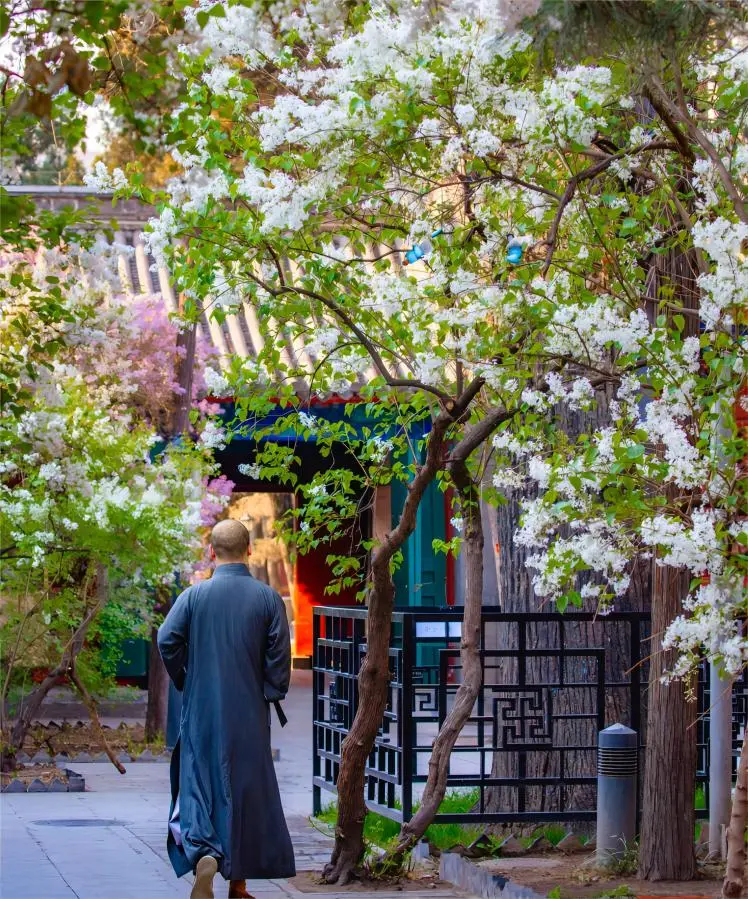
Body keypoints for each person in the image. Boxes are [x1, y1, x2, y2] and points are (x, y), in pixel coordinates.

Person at [158, 519, 296, 899]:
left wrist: (187, 676)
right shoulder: (267, 598)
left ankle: (204, 853)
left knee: (201, 781)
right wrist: (271, 689)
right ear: (249, 550)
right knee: (244, 789)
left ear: (212, 552)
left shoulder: (193, 597)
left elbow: (166, 639)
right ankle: (239, 884)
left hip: (202, 708)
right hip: (248, 711)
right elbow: (278, 657)